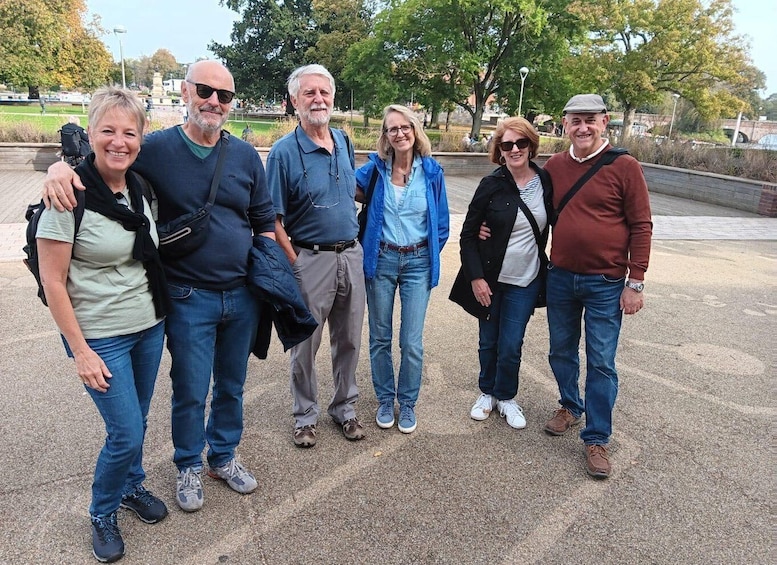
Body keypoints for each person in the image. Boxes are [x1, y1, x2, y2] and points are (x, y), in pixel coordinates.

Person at [43, 61, 278, 510]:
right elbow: (104, 157)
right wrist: (59, 168)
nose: (214, 102)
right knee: (190, 387)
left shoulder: (246, 155)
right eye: (206, 91)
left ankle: (223, 456)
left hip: (242, 294)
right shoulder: (154, 149)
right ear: (187, 92)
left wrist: (270, 271)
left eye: (224, 96)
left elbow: (263, 218)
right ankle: (189, 464)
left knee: (231, 384)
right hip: (188, 295)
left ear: (232, 104)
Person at [37, 86, 170, 563]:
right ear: (89, 134)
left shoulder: (137, 186)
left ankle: (132, 487)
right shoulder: (66, 196)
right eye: (108, 130)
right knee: (126, 433)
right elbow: (53, 282)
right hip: (100, 337)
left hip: (148, 325)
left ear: (141, 139)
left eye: (129, 133)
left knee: (139, 416)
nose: (119, 141)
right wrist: (81, 350)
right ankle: (102, 510)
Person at [542, 94, 652, 478]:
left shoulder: (625, 166)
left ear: (605, 122)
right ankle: (571, 407)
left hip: (606, 281)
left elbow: (641, 224)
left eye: (590, 120)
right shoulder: (555, 165)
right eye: (575, 120)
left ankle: (597, 437)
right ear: (564, 124)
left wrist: (635, 282)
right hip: (560, 277)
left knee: (602, 362)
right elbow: (529, 206)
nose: (583, 127)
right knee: (560, 350)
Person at [265, 64, 366, 448]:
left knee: (350, 340)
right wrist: (295, 263)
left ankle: (345, 408)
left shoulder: (343, 140)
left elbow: (352, 189)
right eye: (309, 93)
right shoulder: (282, 153)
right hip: (310, 259)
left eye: (323, 92)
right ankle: (304, 415)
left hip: (350, 256)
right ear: (294, 101)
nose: (318, 99)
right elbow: (272, 219)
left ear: (333, 97)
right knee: (305, 344)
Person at [451, 117, 552, 431]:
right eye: (507, 145)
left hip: (526, 280)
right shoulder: (491, 184)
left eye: (521, 143)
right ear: (500, 150)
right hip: (491, 280)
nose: (515, 149)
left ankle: (506, 396)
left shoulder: (546, 181)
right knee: (488, 341)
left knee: (511, 344)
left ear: (531, 145)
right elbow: (468, 236)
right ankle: (486, 393)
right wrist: (476, 278)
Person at [355, 104, 449, 434]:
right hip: (381, 259)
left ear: (415, 130)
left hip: (418, 262)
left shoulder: (433, 171)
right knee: (380, 335)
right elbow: (344, 188)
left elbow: (441, 224)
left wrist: (428, 249)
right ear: (385, 136)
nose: (400, 133)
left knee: (411, 340)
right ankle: (384, 398)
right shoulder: (374, 170)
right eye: (392, 129)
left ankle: (406, 402)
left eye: (405, 126)